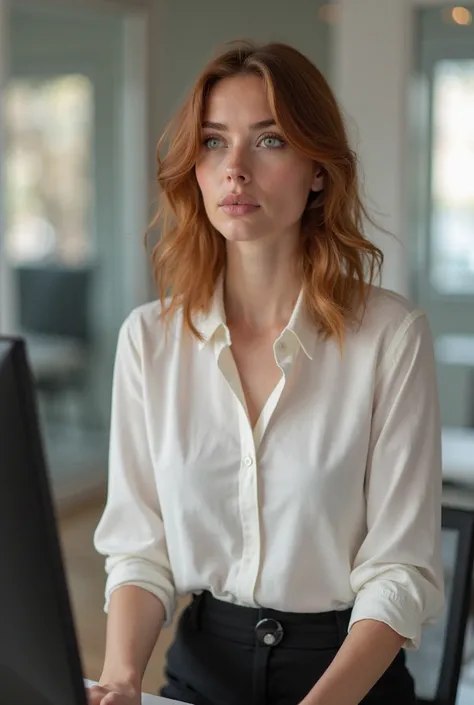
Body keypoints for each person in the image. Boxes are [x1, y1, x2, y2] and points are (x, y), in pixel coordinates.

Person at [87, 41, 445, 705]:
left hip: (346, 677)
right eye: (215, 142)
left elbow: (400, 570)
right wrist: (120, 679)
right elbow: (141, 550)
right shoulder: (149, 339)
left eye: (270, 140)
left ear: (318, 169)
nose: (236, 170)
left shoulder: (390, 335)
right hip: (200, 672)